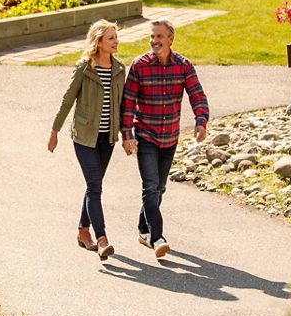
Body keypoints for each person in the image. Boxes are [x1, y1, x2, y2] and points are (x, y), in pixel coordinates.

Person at [120, 19, 208, 259]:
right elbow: (128, 103)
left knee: (159, 188)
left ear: (171, 39)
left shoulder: (183, 65)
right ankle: (157, 237)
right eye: (152, 37)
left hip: (169, 136)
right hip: (146, 134)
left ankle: (143, 229)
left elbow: (197, 94)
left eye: (159, 37)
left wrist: (201, 120)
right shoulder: (139, 65)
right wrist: (127, 135)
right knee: (150, 186)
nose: (154, 41)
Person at [49, 19, 126, 261]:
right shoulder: (84, 68)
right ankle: (102, 239)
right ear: (99, 41)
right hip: (84, 137)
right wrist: (54, 131)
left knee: (94, 186)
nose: (116, 42)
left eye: (116, 37)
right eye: (111, 38)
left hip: (107, 138)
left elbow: (122, 106)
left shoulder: (119, 69)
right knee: (95, 186)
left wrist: (126, 136)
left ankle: (83, 231)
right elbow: (67, 99)